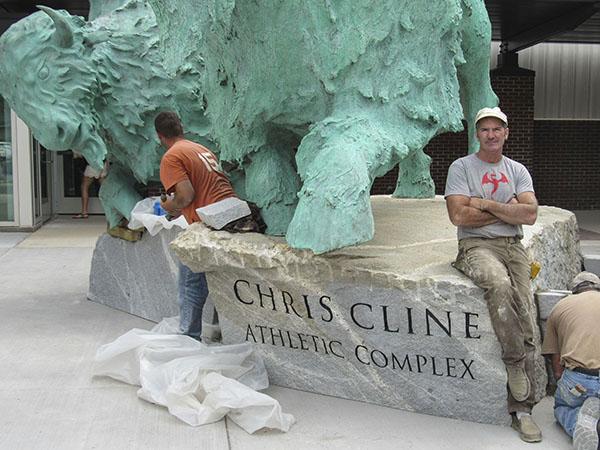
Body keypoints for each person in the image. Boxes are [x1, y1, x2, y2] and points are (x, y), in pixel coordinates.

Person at [444, 107, 541, 443]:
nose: (490, 135)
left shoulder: (518, 170)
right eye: (484, 129)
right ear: (477, 134)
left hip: (514, 248)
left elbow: (529, 214)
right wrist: (507, 209)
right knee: (499, 286)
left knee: (525, 314)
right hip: (475, 247)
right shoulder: (461, 168)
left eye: (496, 129)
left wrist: (484, 204)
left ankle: (523, 410)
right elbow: (458, 215)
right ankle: (514, 365)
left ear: (506, 133)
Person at [155, 111, 237, 340]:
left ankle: (188, 338)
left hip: (208, 224)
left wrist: (169, 205)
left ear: (160, 136)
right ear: (181, 128)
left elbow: (186, 195)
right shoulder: (200, 149)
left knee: (190, 285)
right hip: (230, 217)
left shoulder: (172, 157)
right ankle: (226, 334)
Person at [542, 271, 600, 450]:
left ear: (573, 290)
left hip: (579, 380)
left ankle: (581, 423)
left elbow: (556, 360)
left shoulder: (560, 307)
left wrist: (561, 381)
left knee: (561, 406)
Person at [72, 152, 108, 219]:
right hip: (103, 163)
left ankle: (84, 212)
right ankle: (111, 211)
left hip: (93, 164)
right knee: (105, 189)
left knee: (84, 187)